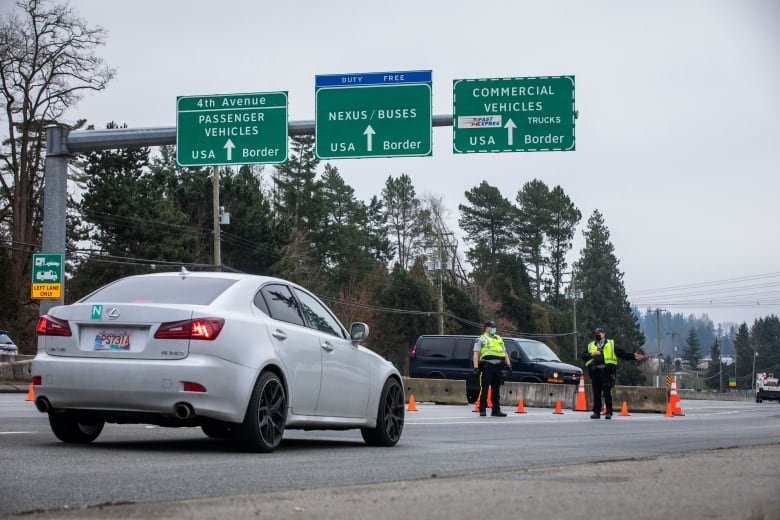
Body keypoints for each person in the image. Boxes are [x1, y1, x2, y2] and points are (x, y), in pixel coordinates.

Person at [582, 327, 644, 419]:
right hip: (595, 372)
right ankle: (596, 412)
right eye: (596, 334)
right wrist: (592, 354)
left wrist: (633, 356)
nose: (597, 335)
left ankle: (609, 412)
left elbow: (622, 354)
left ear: (604, 334)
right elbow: (583, 356)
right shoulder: (591, 345)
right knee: (596, 393)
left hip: (606, 371)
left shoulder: (611, 344)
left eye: (599, 333)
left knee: (607, 392)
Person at [472, 320, 512, 417]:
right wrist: (476, 367)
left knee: (496, 389)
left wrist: (509, 365)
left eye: (494, 327)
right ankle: (482, 409)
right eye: (492, 327)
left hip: (498, 367)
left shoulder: (498, 338)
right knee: (485, 388)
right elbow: (476, 353)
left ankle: (496, 410)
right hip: (487, 366)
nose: (494, 329)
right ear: (487, 328)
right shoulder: (481, 339)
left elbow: (505, 353)